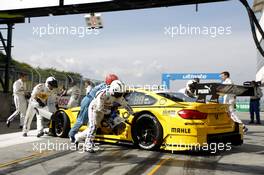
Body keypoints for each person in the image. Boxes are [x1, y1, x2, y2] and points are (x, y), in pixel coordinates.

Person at [75, 80, 134, 153]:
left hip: (104, 110)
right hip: (95, 109)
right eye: (118, 93)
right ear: (113, 90)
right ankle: (88, 145)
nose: (119, 95)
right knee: (93, 127)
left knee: (94, 128)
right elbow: (99, 108)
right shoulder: (103, 94)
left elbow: (125, 104)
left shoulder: (119, 96)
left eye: (120, 93)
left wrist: (132, 113)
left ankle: (78, 136)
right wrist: (109, 113)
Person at [68, 74, 119, 142]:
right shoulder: (106, 87)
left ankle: (84, 136)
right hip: (89, 101)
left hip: (91, 100)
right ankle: (71, 135)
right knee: (81, 120)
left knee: (91, 123)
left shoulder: (105, 85)